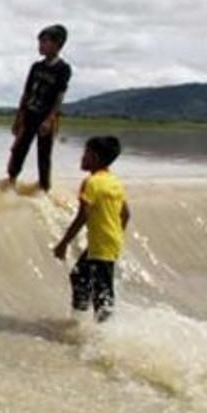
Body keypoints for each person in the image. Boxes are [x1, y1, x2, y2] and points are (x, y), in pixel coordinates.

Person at [53, 136, 129, 321]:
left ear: (94, 157)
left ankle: (104, 330)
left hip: (102, 245)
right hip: (109, 242)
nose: (82, 157)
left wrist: (63, 243)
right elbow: (126, 214)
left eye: (85, 153)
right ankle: (79, 322)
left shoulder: (91, 183)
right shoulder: (114, 181)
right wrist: (114, 235)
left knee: (102, 292)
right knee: (79, 276)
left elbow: (83, 216)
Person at [6, 24, 72, 193]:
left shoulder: (63, 69)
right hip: (29, 114)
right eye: (40, 42)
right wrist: (18, 118)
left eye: (44, 42)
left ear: (57, 44)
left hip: (47, 117)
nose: (40, 45)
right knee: (18, 150)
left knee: (44, 155)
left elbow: (59, 97)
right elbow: (26, 93)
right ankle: (10, 183)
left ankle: (44, 190)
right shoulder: (36, 67)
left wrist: (49, 120)